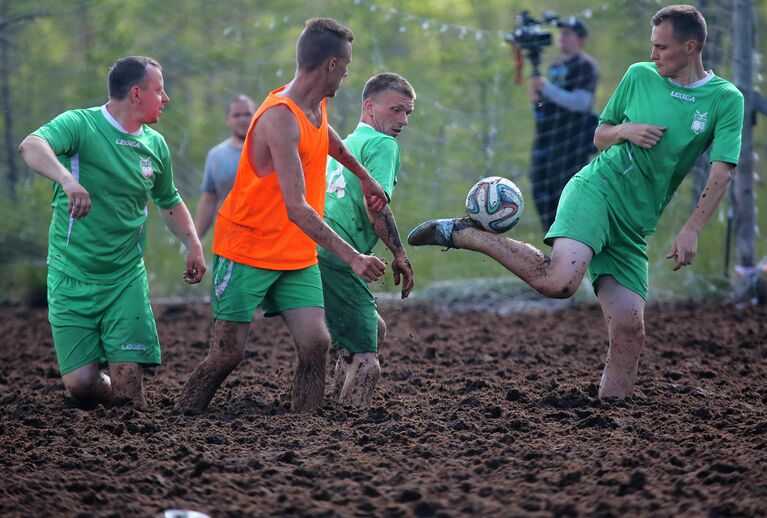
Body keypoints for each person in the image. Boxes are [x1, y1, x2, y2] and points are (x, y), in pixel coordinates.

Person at [408, 5, 743, 399]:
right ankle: (462, 234)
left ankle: (612, 417)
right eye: (652, 46)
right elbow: (600, 135)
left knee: (630, 330)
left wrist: (691, 230)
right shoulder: (639, 76)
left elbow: (722, 171)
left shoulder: (725, 98)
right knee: (561, 283)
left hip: (635, 221)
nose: (653, 55)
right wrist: (625, 130)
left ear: (691, 46)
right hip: (597, 190)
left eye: (662, 48)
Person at [178, 18, 389, 414]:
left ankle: (304, 427)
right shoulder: (279, 116)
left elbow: (326, 138)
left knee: (316, 343)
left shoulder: (316, 106)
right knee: (227, 355)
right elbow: (297, 208)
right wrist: (353, 257)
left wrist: (364, 177)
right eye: (345, 67)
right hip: (246, 247)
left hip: (294, 252)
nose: (346, 76)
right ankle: (181, 417)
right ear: (330, 65)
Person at [18, 56, 206, 407]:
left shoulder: (155, 145)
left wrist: (193, 244)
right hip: (70, 273)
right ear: (136, 93)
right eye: (159, 90)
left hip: (124, 278)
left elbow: (169, 200)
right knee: (82, 386)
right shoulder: (80, 124)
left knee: (128, 385)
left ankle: (143, 440)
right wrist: (68, 181)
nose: (166, 99)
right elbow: (31, 146)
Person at [321, 73, 416, 407]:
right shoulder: (383, 145)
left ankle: (331, 404)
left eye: (408, 113)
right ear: (369, 106)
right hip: (338, 253)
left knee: (372, 330)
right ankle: (345, 430)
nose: (403, 120)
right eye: (396, 110)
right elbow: (376, 206)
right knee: (367, 364)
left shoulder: (347, 142)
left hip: (316, 247)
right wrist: (399, 253)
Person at [528, 16, 599, 232]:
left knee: (566, 196)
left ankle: (570, 242)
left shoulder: (585, 66)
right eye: (562, 33)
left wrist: (546, 88)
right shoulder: (554, 67)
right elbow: (544, 108)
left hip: (571, 145)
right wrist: (536, 99)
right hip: (546, 142)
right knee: (541, 190)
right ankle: (550, 242)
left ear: (580, 39)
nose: (563, 37)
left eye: (568, 33)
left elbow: (582, 102)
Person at [194, 94, 256, 240]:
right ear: (227, 119)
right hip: (229, 236)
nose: (243, 119)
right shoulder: (216, 156)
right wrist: (195, 241)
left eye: (247, 114)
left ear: (256, 116)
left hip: (267, 235)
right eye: (237, 115)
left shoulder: (270, 151)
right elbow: (209, 199)